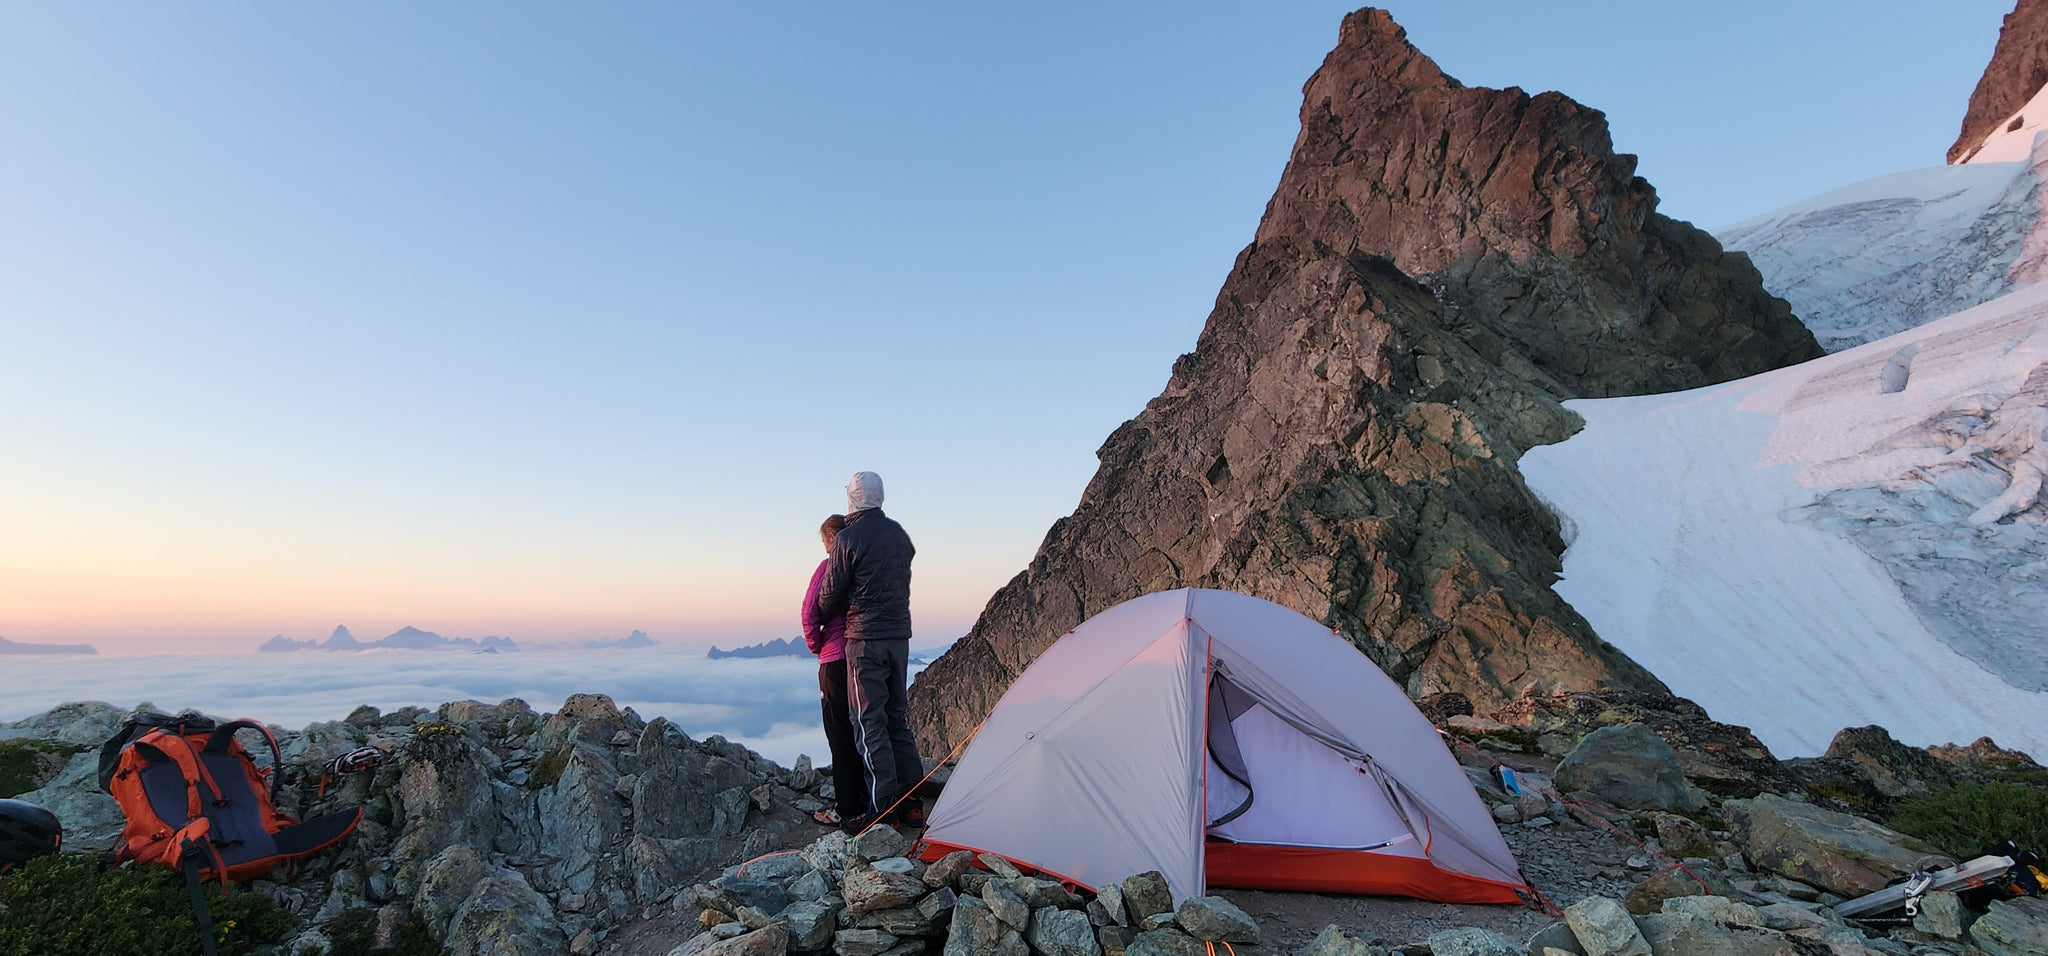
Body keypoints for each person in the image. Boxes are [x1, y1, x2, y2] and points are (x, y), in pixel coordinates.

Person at [812, 470, 923, 831]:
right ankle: (913, 803)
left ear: (853, 499)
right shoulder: (900, 534)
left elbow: (828, 598)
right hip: (899, 638)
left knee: (867, 721)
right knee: (896, 718)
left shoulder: (847, 539)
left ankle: (882, 809)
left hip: (865, 641)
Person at [801, 513, 868, 827]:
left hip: (834, 659)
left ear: (830, 538)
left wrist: (817, 645)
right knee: (861, 730)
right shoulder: (863, 566)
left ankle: (847, 807)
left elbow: (809, 611)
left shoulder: (828, 567)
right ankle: (866, 798)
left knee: (839, 733)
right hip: (863, 656)